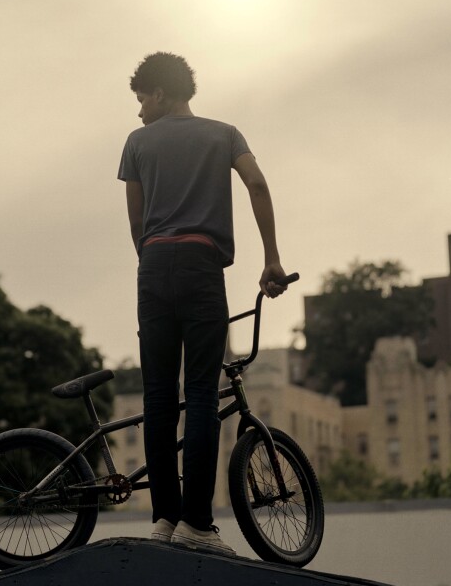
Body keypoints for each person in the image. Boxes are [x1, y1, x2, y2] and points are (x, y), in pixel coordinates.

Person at [117, 52, 288, 555]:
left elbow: (135, 221)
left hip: (153, 267)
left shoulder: (136, 145)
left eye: (142, 98)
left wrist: (152, 264)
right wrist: (272, 259)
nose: (140, 110)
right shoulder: (225, 134)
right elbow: (257, 183)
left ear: (162, 94)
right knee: (202, 396)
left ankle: (164, 521)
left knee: (157, 399)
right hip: (201, 267)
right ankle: (197, 524)